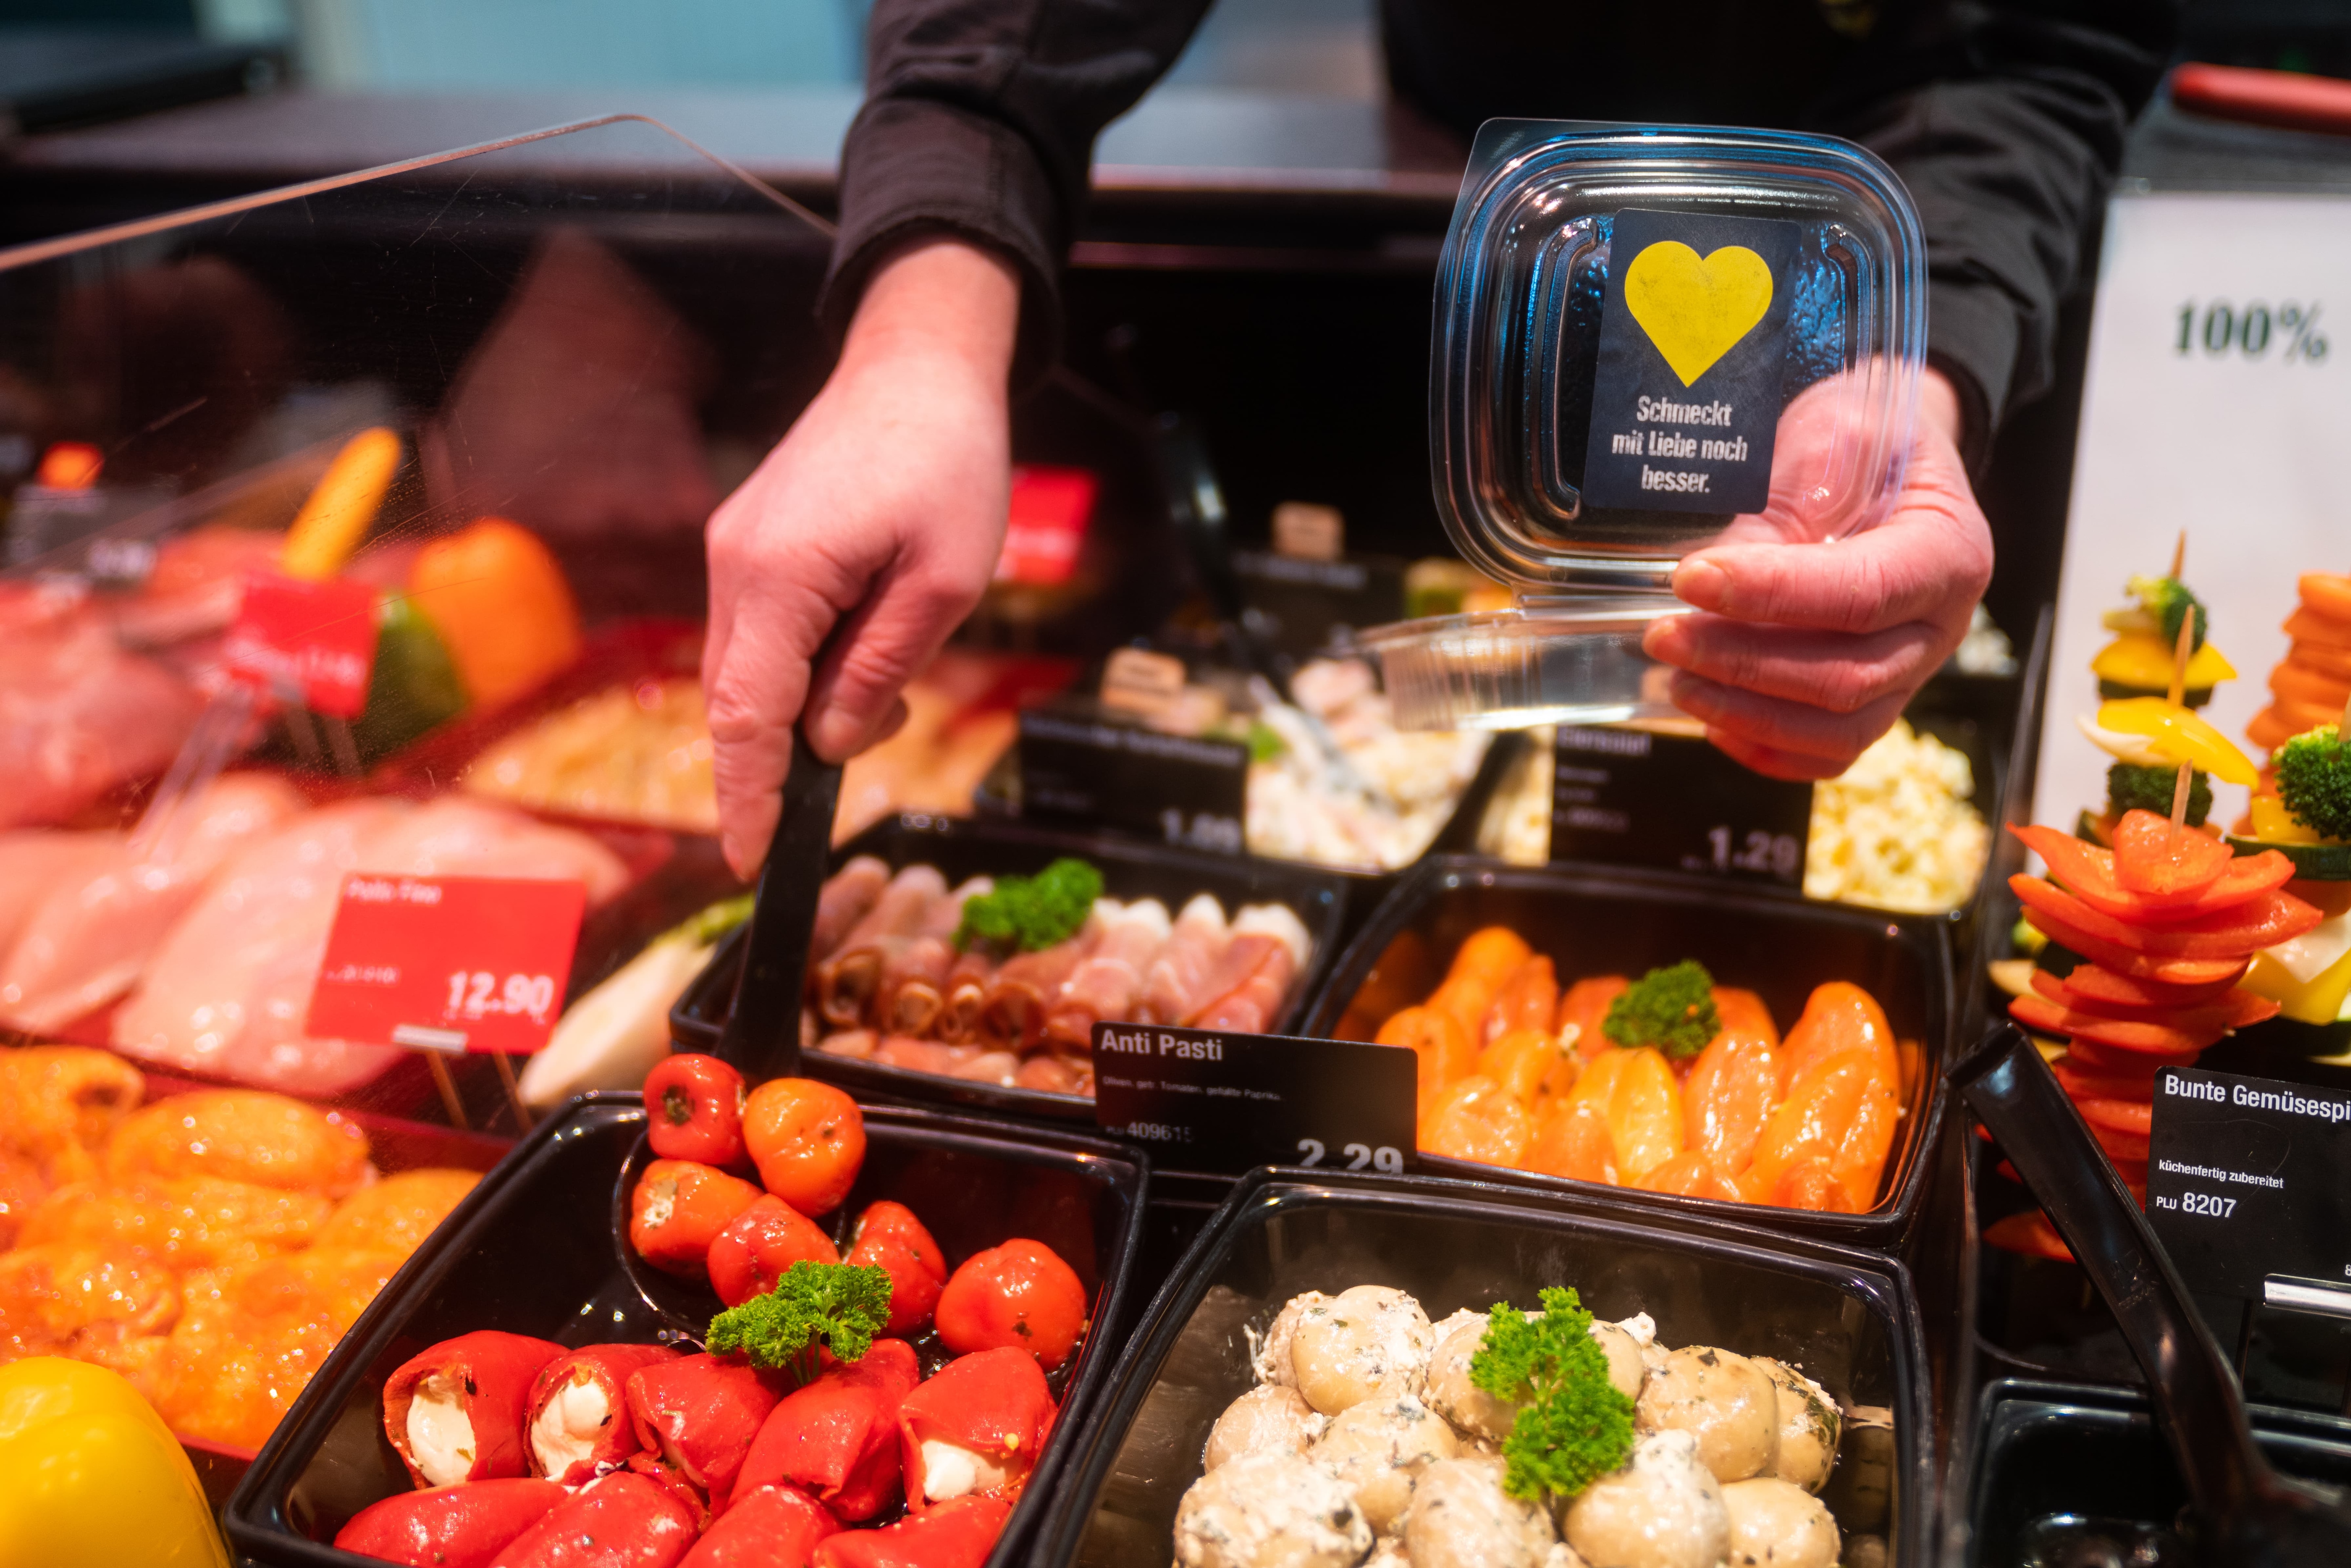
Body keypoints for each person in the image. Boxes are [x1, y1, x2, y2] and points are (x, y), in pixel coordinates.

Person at [703, 0, 2179, 876]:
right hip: (1459, 275)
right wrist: (924, 342)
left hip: (1889, 277)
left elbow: (2040, 43)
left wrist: (1912, 372)